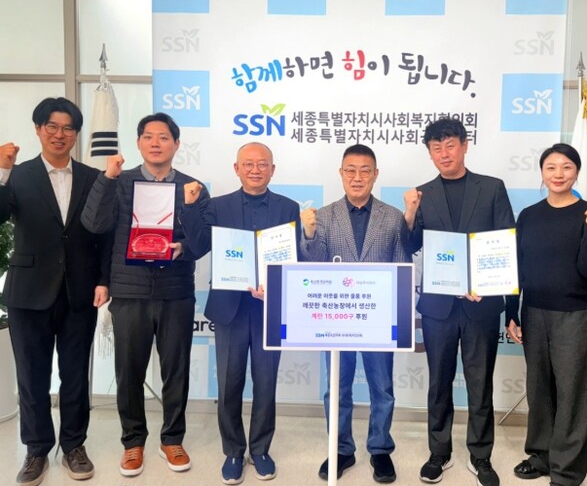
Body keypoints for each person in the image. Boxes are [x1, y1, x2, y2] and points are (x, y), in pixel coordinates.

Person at [80, 112, 210, 477]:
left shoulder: (192, 187)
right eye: (149, 136)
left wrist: (182, 244)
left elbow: (202, 243)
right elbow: (94, 225)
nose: (156, 143)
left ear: (176, 144)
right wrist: (107, 178)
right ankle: (133, 442)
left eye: (164, 137)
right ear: (138, 143)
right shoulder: (120, 182)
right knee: (129, 371)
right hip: (129, 291)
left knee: (176, 371)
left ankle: (172, 439)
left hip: (176, 292)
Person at [0, 98, 112, 486]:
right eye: (52, 126)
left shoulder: (93, 177)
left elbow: (104, 235)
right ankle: (36, 450)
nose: (59, 134)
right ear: (38, 129)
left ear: (77, 134)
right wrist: (2, 171)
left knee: (75, 375)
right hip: (28, 292)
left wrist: (103, 279)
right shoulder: (17, 175)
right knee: (32, 377)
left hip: (79, 291)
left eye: (67, 128)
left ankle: (74, 446)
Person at [179, 142, 300, 484]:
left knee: (266, 383)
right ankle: (233, 450)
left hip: (269, 308)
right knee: (229, 384)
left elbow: (295, 260)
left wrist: (276, 286)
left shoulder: (288, 207)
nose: (255, 170)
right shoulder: (217, 206)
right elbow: (198, 246)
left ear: (272, 169)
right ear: (236, 168)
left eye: (262, 164)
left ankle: (260, 449)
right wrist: (190, 207)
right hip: (229, 309)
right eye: (248, 164)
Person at [403, 117, 514, 486]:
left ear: (465, 146)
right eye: (436, 148)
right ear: (429, 153)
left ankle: (481, 456)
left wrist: (484, 281)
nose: (444, 153)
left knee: (480, 383)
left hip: (481, 302)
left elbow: (504, 242)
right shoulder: (422, 194)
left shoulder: (492, 188)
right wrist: (410, 213)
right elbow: (410, 246)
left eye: (450, 145)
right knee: (439, 381)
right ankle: (439, 452)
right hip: (439, 306)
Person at [300, 144, 409, 484]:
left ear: (375, 175)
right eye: (351, 170)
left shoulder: (392, 217)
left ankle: (380, 449)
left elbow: (402, 268)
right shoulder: (324, 215)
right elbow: (313, 265)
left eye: (365, 170)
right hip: (336, 318)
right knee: (337, 388)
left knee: (382, 388)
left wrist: (397, 319)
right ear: (341, 173)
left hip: (379, 319)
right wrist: (309, 234)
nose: (357, 177)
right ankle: (341, 449)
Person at [505, 143, 587, 486]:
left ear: (577, 172)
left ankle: (567, 471)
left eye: (566, 167)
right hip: (533, 312)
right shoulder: (529, 216)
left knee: (573, 392)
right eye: (551, 167)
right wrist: (511, 312)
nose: (558, 174)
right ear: (542, 172)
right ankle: (542, 456)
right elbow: (516, 268)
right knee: (539, 389)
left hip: (574, 315)